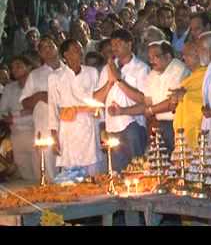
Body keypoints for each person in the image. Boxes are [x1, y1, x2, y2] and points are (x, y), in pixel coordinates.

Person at [108, 41, 190, 154]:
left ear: (168, 56)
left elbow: (172, 102)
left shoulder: (179, 69)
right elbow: (147, 103)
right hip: (159, 125)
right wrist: (122, 111)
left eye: (155, 57)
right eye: (149, 57)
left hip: (177, 125)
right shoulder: (152, 74)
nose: (151, 61)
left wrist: (151, 110)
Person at [94, 30, 150, 172]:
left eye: (118, 43)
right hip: (112, 127)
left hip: (132, 126)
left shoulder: (142, 68)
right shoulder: (108, 68)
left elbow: (143, 100)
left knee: (136, 169)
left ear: (129, 44)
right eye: (112, 45)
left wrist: (119, 80)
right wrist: (110, 83)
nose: (114, 48)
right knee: (116, 172)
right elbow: (96, 99)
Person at [48, 40, 104, 176]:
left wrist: (102, 124)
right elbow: (52, 107)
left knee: (92, 164)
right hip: (68, 126)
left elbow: (98, 99)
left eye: (80, 49)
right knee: (70, 166)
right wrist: (54, 135)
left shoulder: (92, 72)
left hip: (89, 123)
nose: (80, 52)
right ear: (66, 55)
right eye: (75, 49)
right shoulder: (55, 76)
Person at [20, 37, 64, 181]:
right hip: (44, 125)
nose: (48, 49)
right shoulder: (35, 74)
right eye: (43, 47)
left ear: (57, 47)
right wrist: (39, 96)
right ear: (40, 53)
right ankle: (52, 194)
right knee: (48, 162)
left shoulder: (69, 70)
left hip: (68, 123)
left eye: (50, 45)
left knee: (70, 162)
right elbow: (25, 103)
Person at [0, 56, 35, 180]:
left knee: (41, 173)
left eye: (18, 66)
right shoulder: (9, 88)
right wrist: (22, 113)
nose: (14, 69)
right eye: (12, 67)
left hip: (35, 134)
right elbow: (2, 113)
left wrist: (14, 117)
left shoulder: (36, 85)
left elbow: (37, 113)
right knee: (25, 176)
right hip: (16, 136)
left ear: (29, 67)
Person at [170, 41, 208, 150]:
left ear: (197, 55)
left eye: (186, 54)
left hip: (196, 129)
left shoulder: (206, 74)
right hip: (183, 131)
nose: (183, 58)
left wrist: (183, 94)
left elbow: (199, 99)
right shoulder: (191, 77)